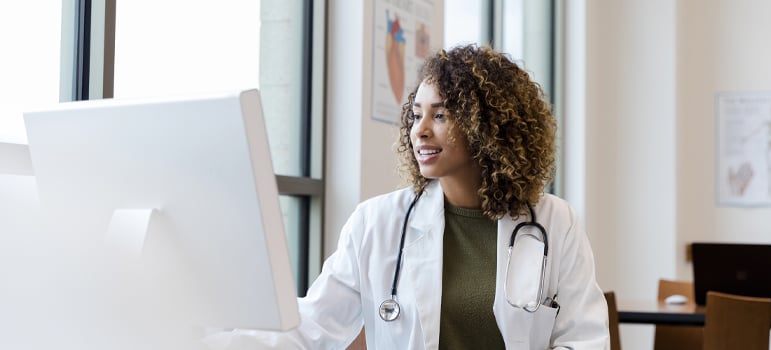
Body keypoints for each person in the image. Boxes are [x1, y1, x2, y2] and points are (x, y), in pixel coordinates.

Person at [204, 44, 609, 349]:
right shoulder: (377, 222)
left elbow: (583, 339)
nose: (420, 130)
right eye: (416, 114)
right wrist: (208, 336)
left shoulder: (555, 223)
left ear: (489, 126)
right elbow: (313, 326)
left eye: (441, 114)